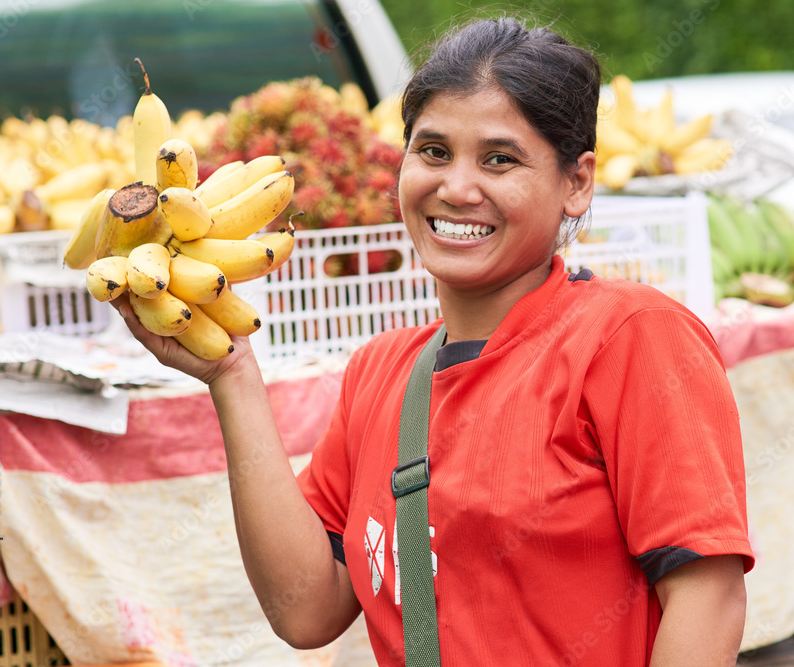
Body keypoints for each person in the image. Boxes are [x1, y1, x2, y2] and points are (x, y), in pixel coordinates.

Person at [115, 15, 754, 666]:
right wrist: (232, 376)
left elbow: (709, 598)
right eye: (434, 151)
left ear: (576, 182)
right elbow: (307, 608)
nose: (456, 188)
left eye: (499, 159)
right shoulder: (380, 371)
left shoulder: (628, 339)